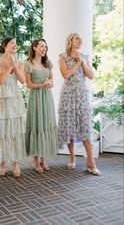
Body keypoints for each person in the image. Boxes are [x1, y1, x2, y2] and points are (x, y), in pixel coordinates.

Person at [58, 33, 101, 175]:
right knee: (69, 125)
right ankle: (72, 157)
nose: (80, 40)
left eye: (81, 39)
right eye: (77, 38)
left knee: (85, 126)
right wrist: (77, 62)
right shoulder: (63, 57)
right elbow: (65, 75)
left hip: (82, 95)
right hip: (68, 95)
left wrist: (82, 61)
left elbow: (91, 75)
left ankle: (91, 162)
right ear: (70, 41)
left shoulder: (85, 57)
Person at [0, 38, 26, 178]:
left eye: (15, 44)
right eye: (11, 43)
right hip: (2, 98)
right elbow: (0, 80)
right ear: (5, 46)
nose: (14, 45)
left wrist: (15, 66)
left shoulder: (19, 62)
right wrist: (9, 67)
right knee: (3, 131)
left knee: (15, 131)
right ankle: (2, 161)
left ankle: (15, 163)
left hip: (15, 98)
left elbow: (23, 80)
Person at [25, 39, 58, 173]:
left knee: (46, 124)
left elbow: (52, 81)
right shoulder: (28, 64)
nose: (44, 49)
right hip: (36, 97)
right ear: (34, 48)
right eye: (41, 46)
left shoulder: (47, 63)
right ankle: (35, 158)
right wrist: (42, 85)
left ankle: (43, 158)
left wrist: (50, 83)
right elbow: (28, 84)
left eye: (45, 46)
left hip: (47, 98)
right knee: (37, 124)